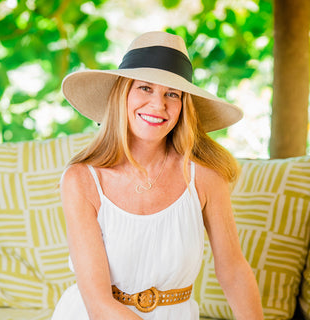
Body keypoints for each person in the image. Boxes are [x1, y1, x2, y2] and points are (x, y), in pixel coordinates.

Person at [51, 31, 264, 320]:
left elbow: (233, 271)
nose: (158, 105)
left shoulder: (204, 176)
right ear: (122, 94)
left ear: (183, 106)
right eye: (145, 88)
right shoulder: (81, 180)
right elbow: (98, 303)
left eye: (172, 94)